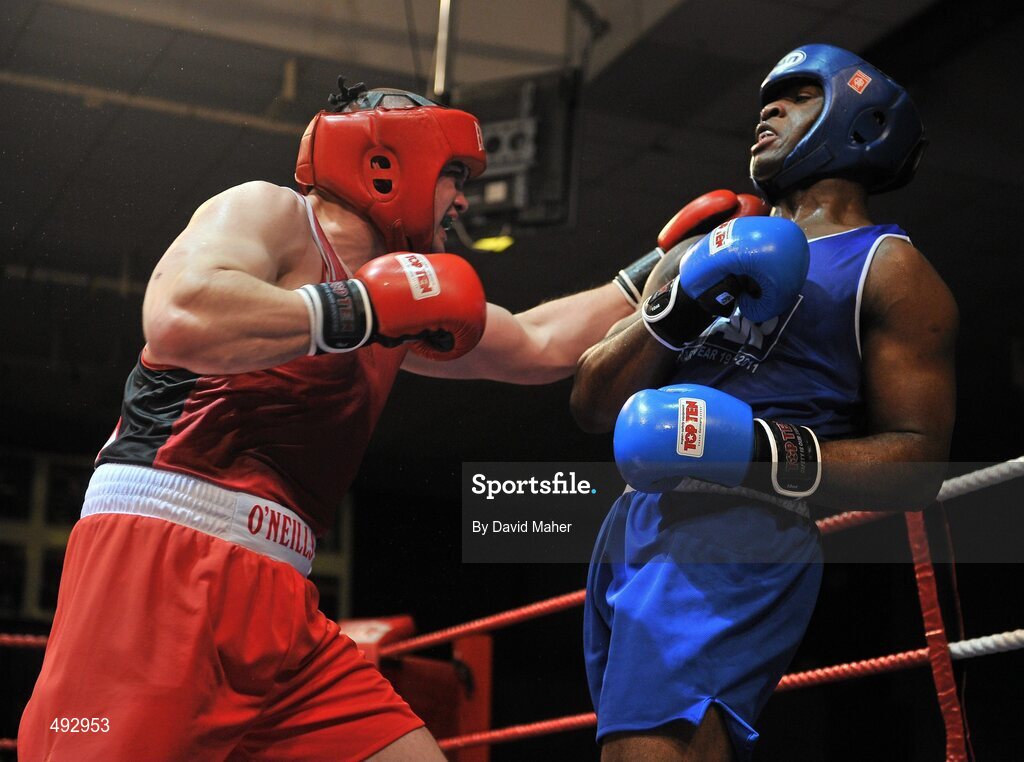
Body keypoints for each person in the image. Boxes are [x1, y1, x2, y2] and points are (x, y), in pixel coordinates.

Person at [17, 81, 644, 760]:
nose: (461, 199)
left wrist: (676, 266)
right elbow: (179, 317)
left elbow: (537, 342)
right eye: (453, 174)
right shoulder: (271, 214)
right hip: (160, 566)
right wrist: (358, 311)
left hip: (283, 607)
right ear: (387, 164)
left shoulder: (405, 295)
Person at [571, 44, 958, 761]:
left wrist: (757, 446)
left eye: (800, 95)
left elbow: (918, 462)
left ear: (863, 121)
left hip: (742, 527)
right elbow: (592, 402)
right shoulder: (700, 248)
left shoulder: (892, 269)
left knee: (650, 750)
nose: (769, 110)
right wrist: (673, 310)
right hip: (634, 522)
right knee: (663, 743)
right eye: (767, 100)